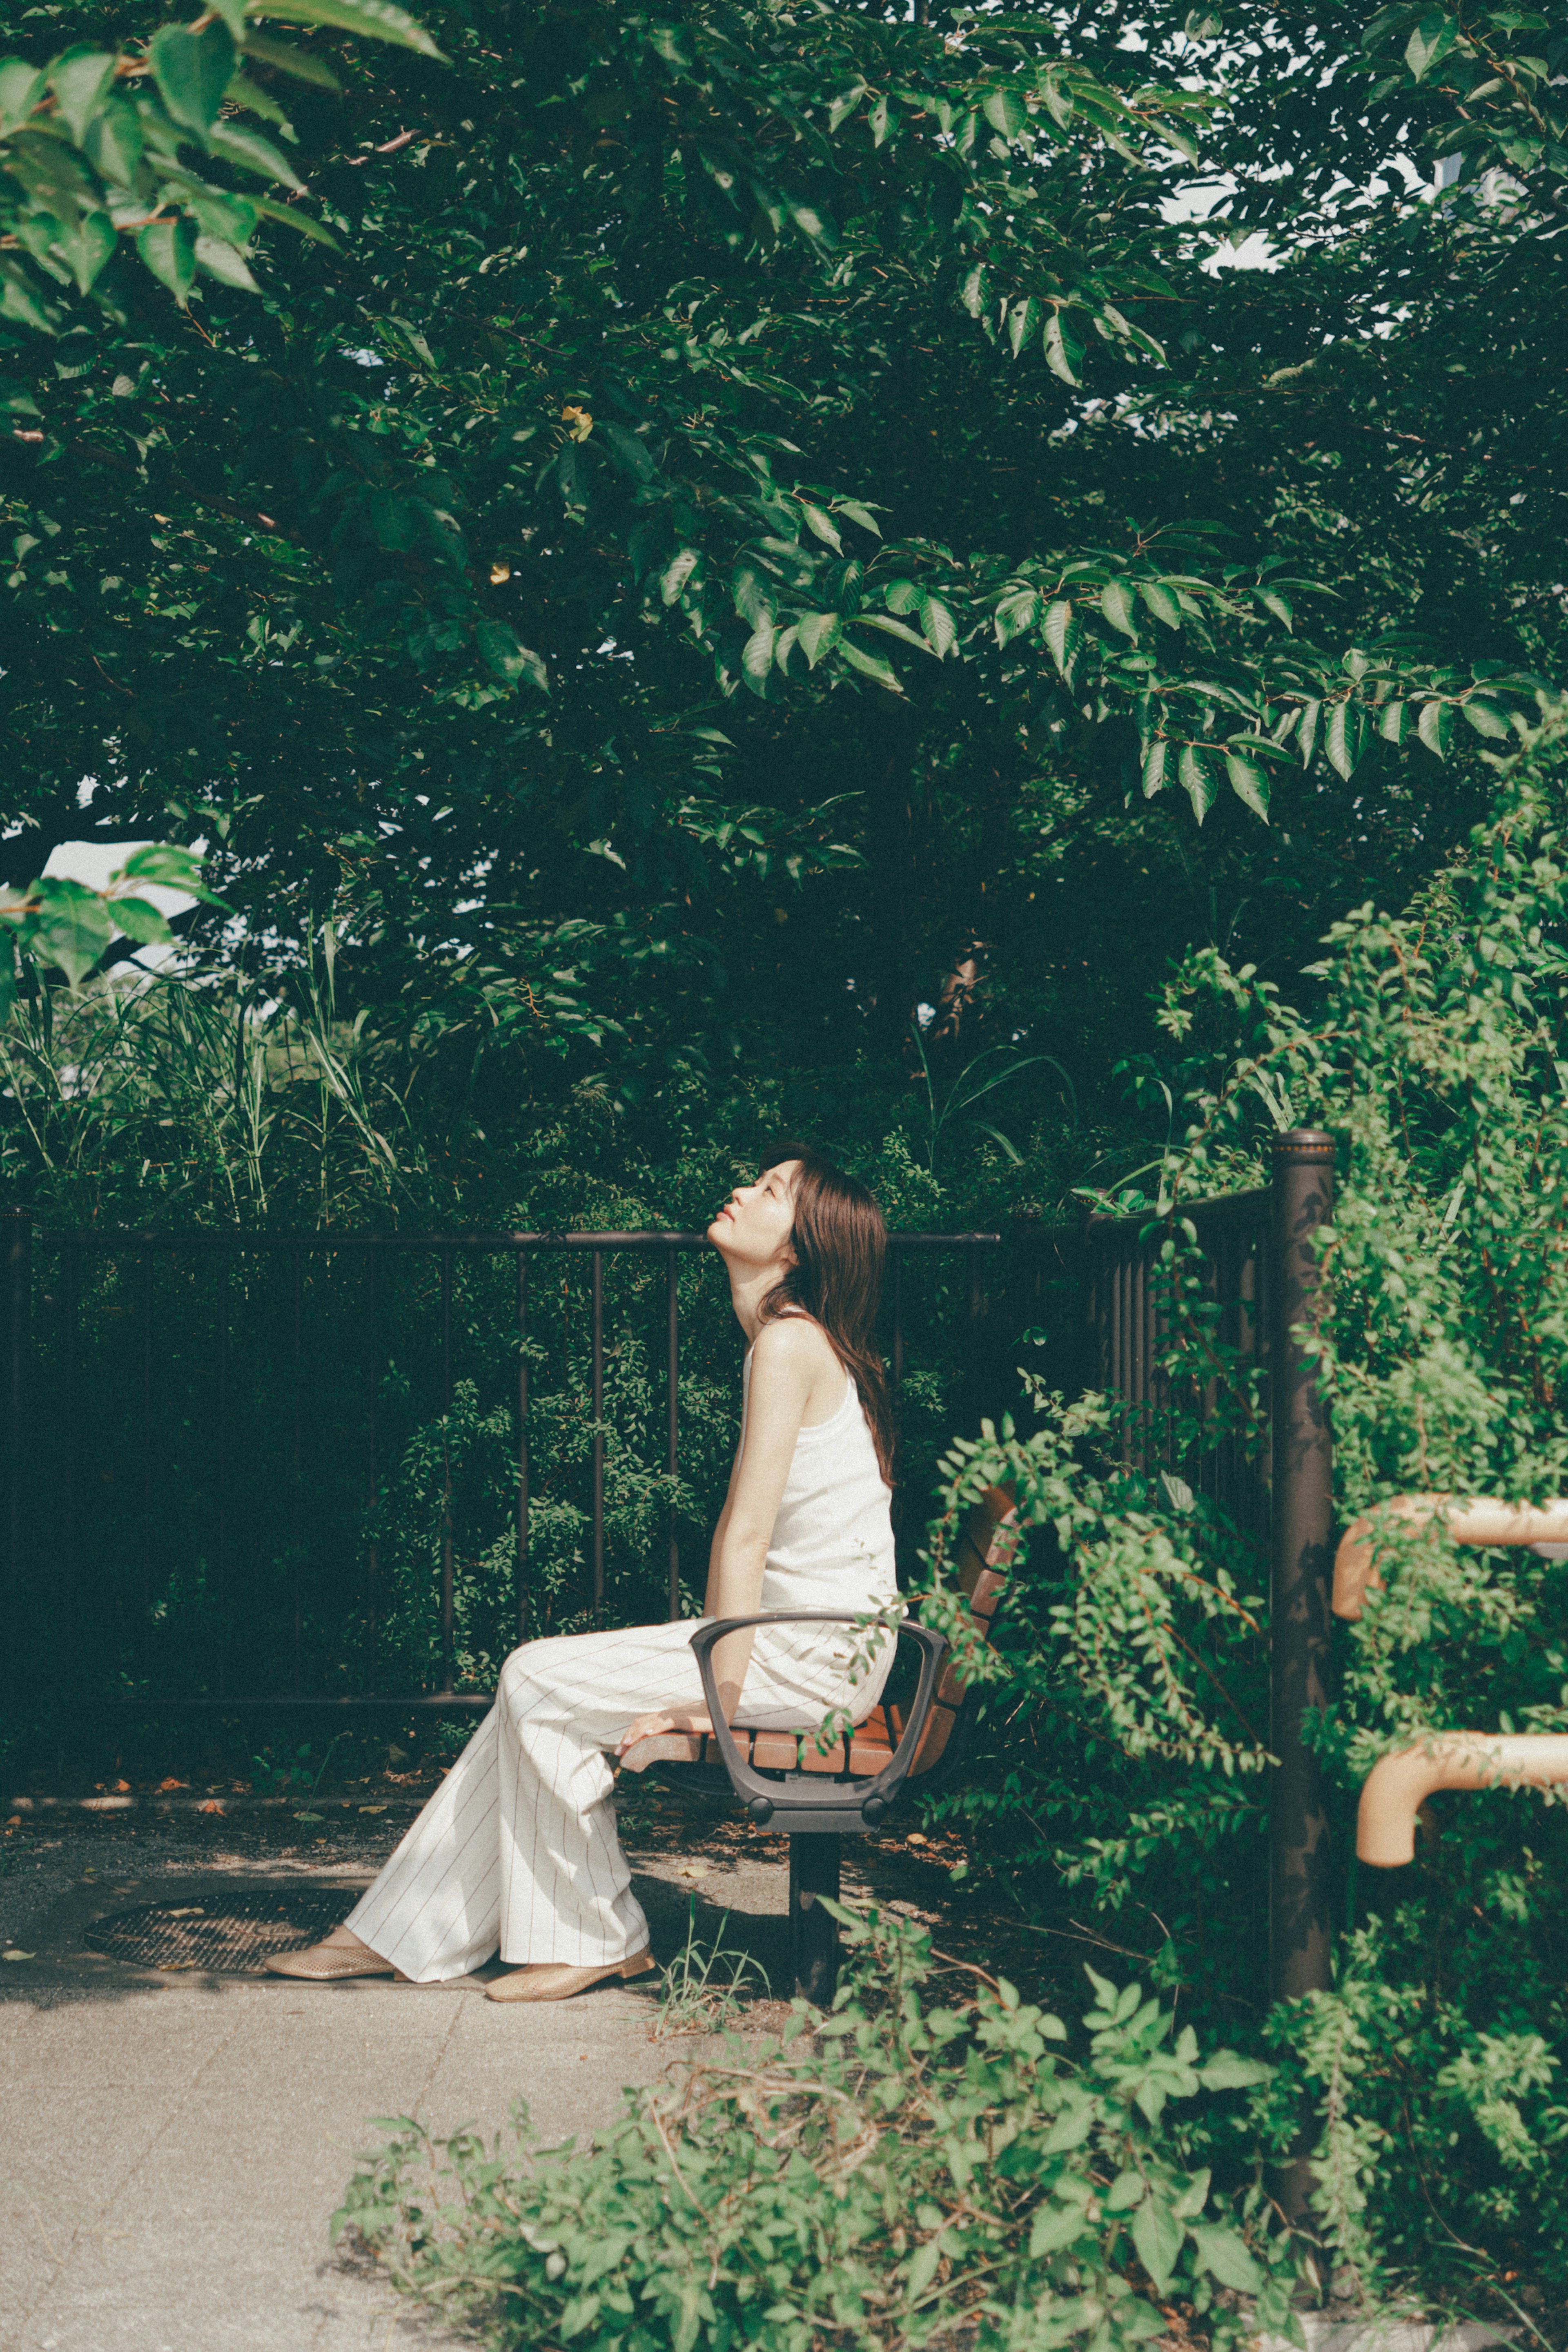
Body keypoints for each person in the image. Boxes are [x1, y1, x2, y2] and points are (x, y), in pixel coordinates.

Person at [265, 1141, 900, 2001]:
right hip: (813, 1647)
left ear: (799, 1247)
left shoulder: (790, 1344)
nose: (742, 1189)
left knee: (534, 1676)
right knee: (531, 1695)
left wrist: (716, 1701)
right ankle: (392, 1931)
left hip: (814, 1659)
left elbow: (743, 1538)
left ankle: (599, 1935)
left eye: (771, 1190)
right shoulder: (795, 1343)